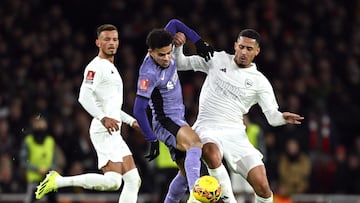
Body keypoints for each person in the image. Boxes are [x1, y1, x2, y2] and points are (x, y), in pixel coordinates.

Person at [173, 28, 304, 203]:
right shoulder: (216, 59)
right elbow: (181, 63)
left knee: (263, 187)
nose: (243, 52)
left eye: (249, 49)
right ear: (235, 45)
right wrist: (178, 48)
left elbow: (272, 117)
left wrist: (282, 118)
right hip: (207, 127)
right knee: (211, 153)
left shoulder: (260, 82)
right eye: (241, 47)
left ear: (257, 51)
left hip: (236, 134)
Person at [35, 24, 141, 203]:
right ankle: (58, 181)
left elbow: (112, 107)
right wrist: (103, 118)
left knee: (133, 180)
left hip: (113, 129)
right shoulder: (95, 67)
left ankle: (58, 180)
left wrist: (131, 122)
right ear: (98, 42)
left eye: (114, 39)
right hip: (103, 130)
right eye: (106, 39)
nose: (111, 43)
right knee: (114, 182)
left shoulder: (112, 68)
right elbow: (83, 97)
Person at [133, 19, 213, 203]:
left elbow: (175, 23)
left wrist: (198, 42)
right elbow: (138, 109)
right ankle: (198, 196)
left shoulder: (164, 46)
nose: (167, 58)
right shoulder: (148, 74)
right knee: (195, 144)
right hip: (165, 122)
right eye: (162, 55)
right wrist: (151, 139)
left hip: (178, 119)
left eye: (169, 53)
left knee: (185, 174)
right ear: (150, 52)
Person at [20, 115, 57, 203]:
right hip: (33, 181)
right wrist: (37, 169)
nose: (40, 125)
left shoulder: (50, 141)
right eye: (37, 123)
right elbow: (23, 161)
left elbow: (55, 161)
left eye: (42, 122)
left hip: (49, 180)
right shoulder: (28, 141)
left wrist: (49, 170)